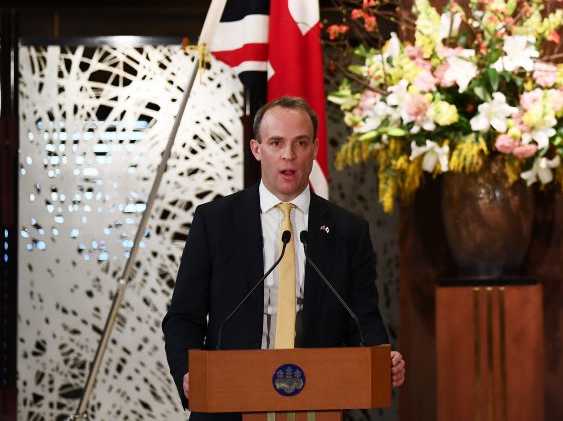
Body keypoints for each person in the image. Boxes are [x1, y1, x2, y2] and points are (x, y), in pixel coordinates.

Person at [163, 96, 405, 419]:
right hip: (230, 402)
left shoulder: (348, 231)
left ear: (315, 149)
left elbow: (364, 323)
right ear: (256, 149)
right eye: (276, 142)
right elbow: (183, 318)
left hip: (317, 405)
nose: (288, 155)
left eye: (300, 143)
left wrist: (382, 360)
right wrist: (187, 374)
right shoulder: (215, 222)